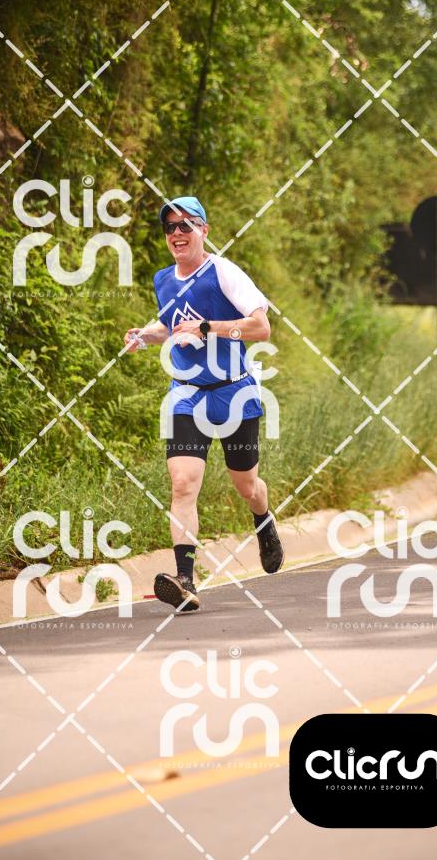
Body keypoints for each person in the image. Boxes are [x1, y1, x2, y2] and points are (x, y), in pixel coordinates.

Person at [124, 196, 283, 612]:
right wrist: (146, 335)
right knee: (183, 483)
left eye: (186, 225)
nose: (177, 233)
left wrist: (210, 327)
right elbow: (171, 324)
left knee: (246, 485)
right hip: (187, 394)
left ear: (204, 230)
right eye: (170, 227)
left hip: (234, 393)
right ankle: (185, 581)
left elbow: (261, 328)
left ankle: (263, 520)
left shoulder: (224, 273)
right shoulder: (163, 279)